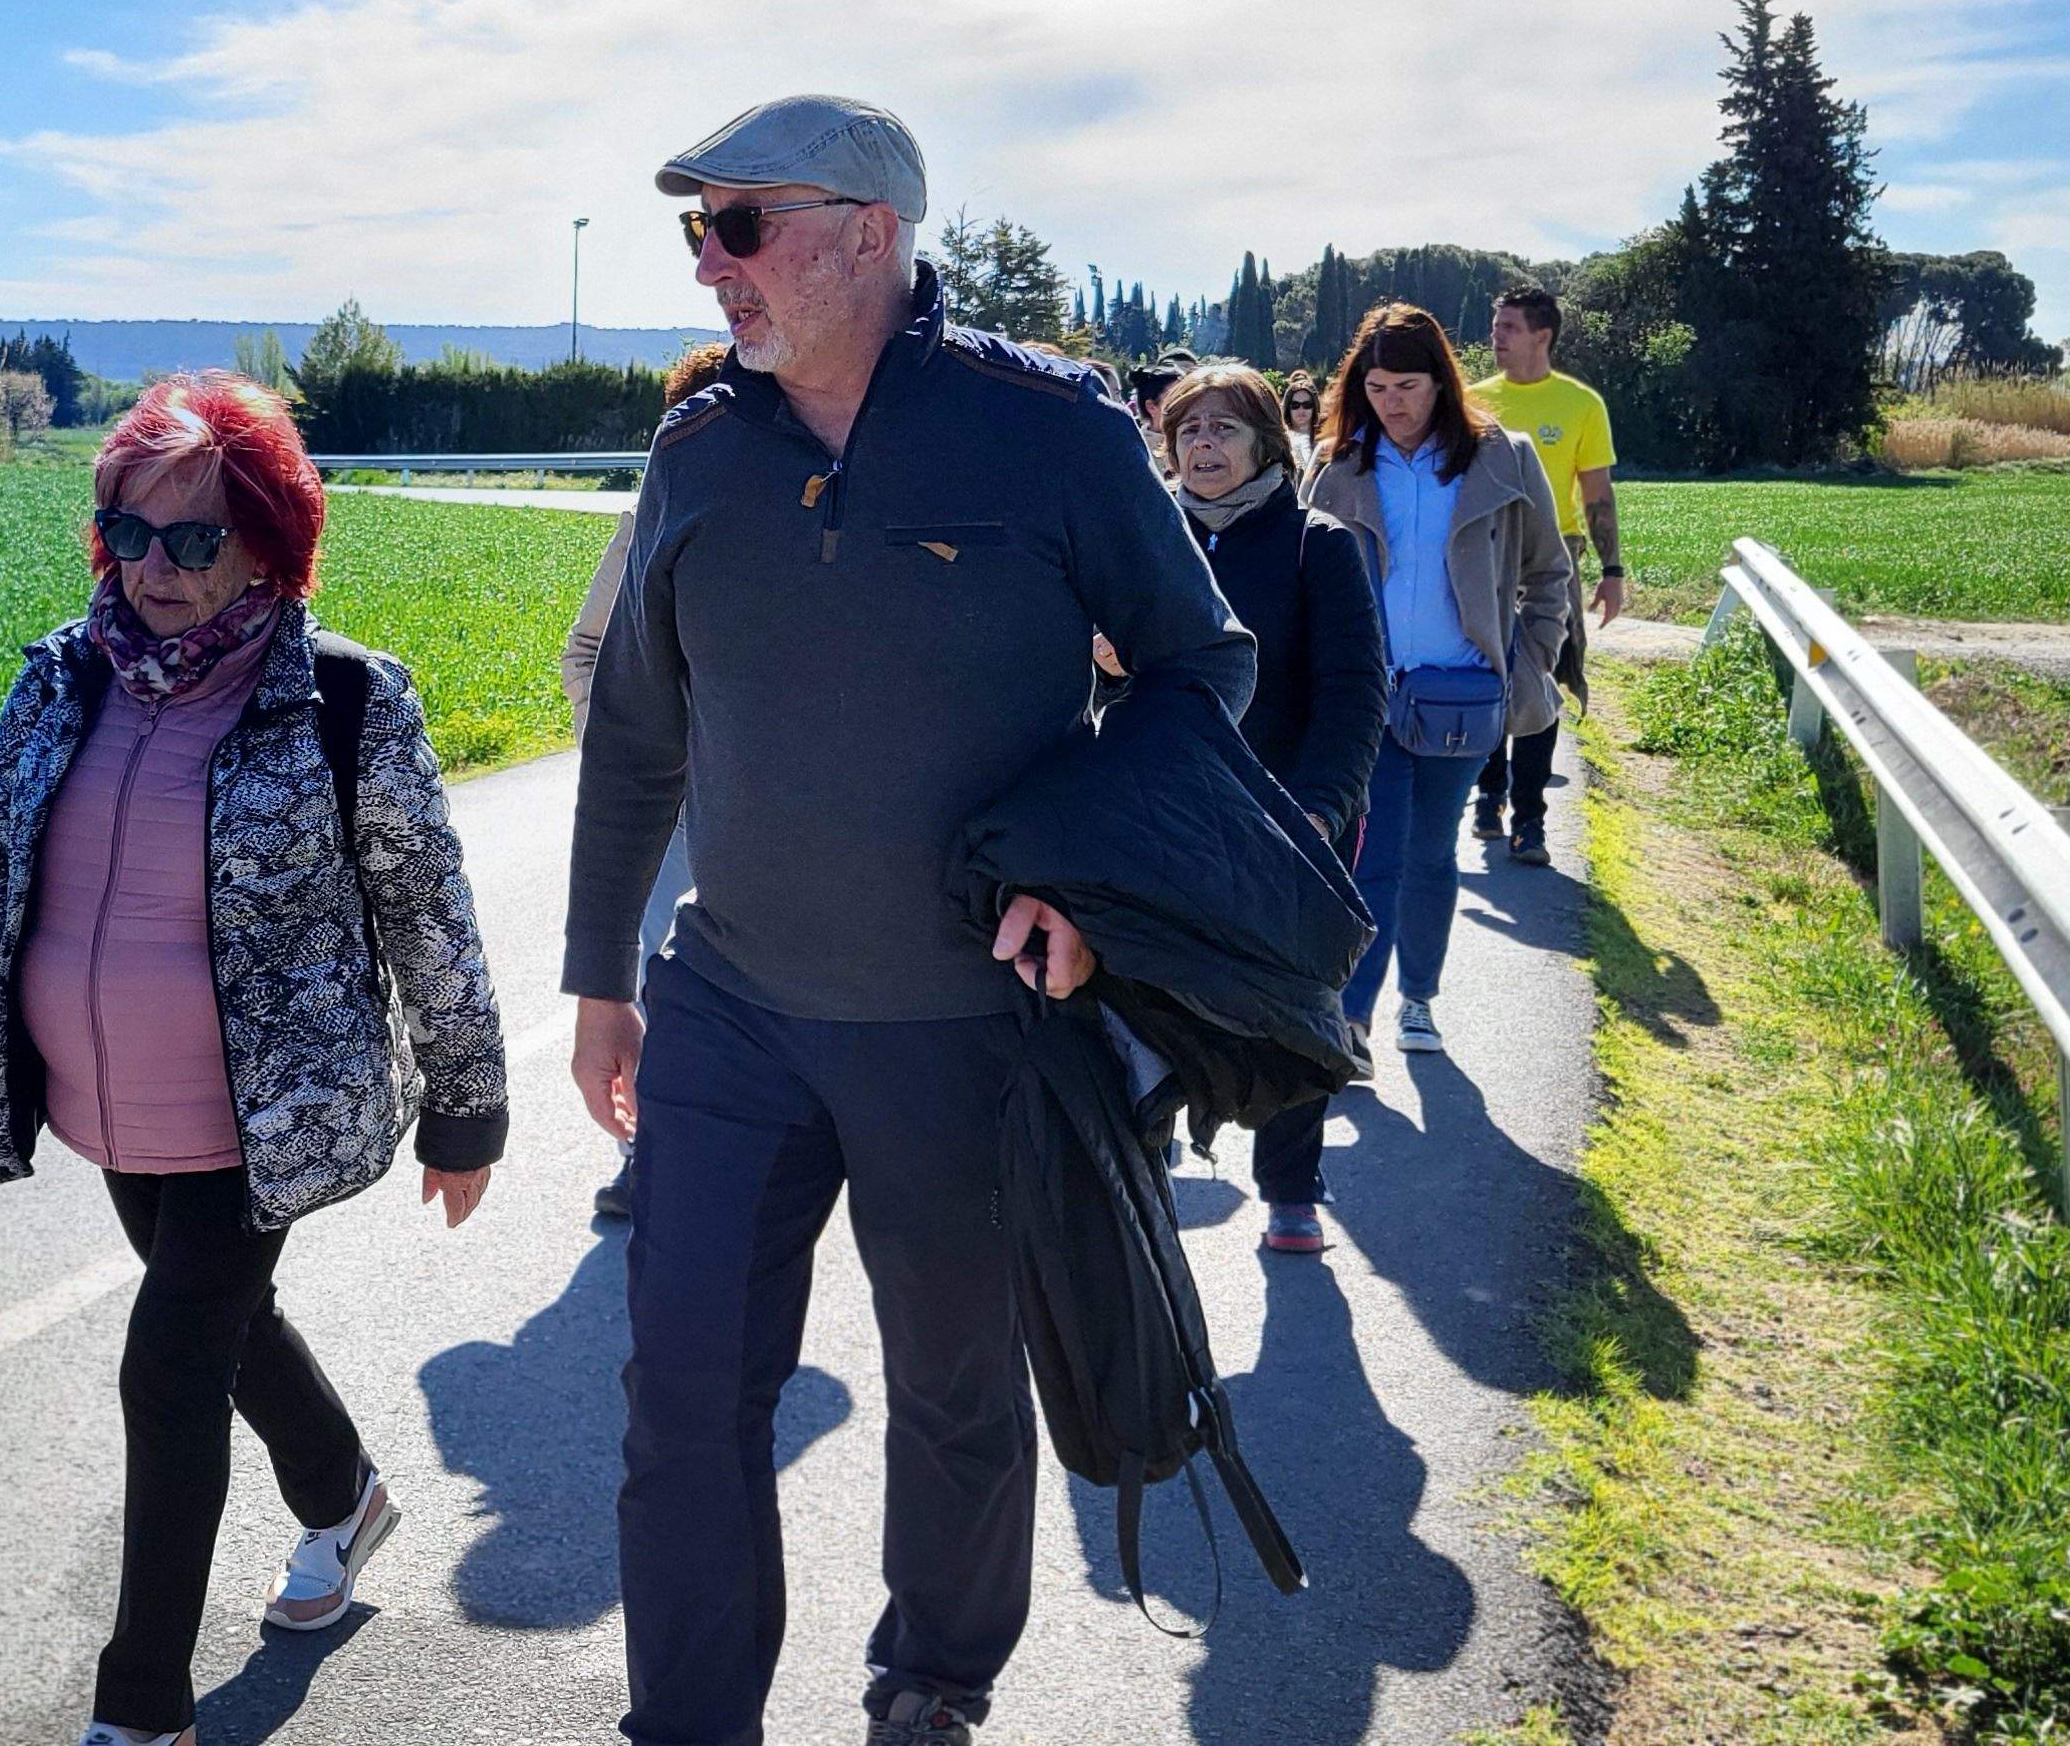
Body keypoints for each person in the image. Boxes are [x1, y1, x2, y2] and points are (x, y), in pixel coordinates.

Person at [570, 95, 1255, 1746]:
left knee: (956, 1391)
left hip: (966, 1022)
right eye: (697, 231)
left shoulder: (1053, 433)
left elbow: (1200, 665)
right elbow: (640, 729)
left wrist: (1083, 878)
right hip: (731, 1009)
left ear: (870, 233)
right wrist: (599, 979)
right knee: (682, 1395)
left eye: (742, 226)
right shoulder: (698, 451)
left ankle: (936, 1679)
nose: (710, 264)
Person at [0, 373, 511, 1746]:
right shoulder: (60, 678)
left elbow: (427, 907)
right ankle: (344, 1496)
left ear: (264, 543)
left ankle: (142, 1708)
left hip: (264, 1114)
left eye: (192, 537)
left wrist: (467, 1104)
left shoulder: (343, 699)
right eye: (129, 531)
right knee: (227, 1327)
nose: (154, 567)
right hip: (107, 1099)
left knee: (170, 1363)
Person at [1148, 362, 1385, 1253]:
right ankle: (1146, 1170)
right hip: (1168, 813)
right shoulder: (1148, 537)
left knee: (1291, 1003)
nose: (1203, 445)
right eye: (1188, 430)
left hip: (1291, 817)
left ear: (1266, 444)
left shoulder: (1317, 545)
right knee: (1150, 990)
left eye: (1223, 428)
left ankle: (1290, 1190)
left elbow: (1354, 691)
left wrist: (1319, 810)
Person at [1301, 304, 1573, 1058]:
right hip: (1363, 695)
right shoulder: (1335, 465)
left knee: (1431, 855)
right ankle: (1352, 1019)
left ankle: (1418, 1002)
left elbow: (1550, 573)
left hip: (1463, 698)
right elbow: (1301, 578)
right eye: (1377, 387)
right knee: (1373, 854)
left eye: (1408, 386)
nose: (1393, 403)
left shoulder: (1504, 457)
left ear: (1441, 383)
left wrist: (1529, 661)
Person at [564, 343, 732, 1220]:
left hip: (766, 807)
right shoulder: (651, 519)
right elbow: (586, 648)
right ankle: (646, 1155)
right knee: (644, 970)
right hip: (670, 801)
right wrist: (628, 748)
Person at [1464, 285, 1621, 866]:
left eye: (1508, 327)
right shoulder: (1473, 402)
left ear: (1542, 335)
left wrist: (1612, 570)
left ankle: (1530, 820)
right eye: (1495, 326)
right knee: (1483, 671)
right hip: (1486, 554)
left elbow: (1597, 495)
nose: (1496, 337)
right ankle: (1489, 794)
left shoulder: (1581, 405)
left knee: (1539, 680)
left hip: (1555, 559)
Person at [1280, 370, 1324, 475]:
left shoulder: (1324, 441)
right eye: (1295, 405)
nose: (1301, 410)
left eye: (1307, 405)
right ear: (1288, 408)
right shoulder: (1279, 441)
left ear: (1314, 408)